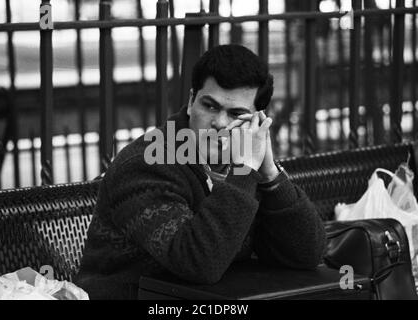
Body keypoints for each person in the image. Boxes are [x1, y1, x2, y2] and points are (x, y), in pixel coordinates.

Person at [75, 44, 326, 300]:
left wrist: (270, 175)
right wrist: (243, 173)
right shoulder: (147, 163)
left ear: (257, 122)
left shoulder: (244, 163)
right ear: (191, 100)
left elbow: (307, 254)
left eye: (236, 114)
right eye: (210, 106)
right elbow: (198, 263)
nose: (219, 123)